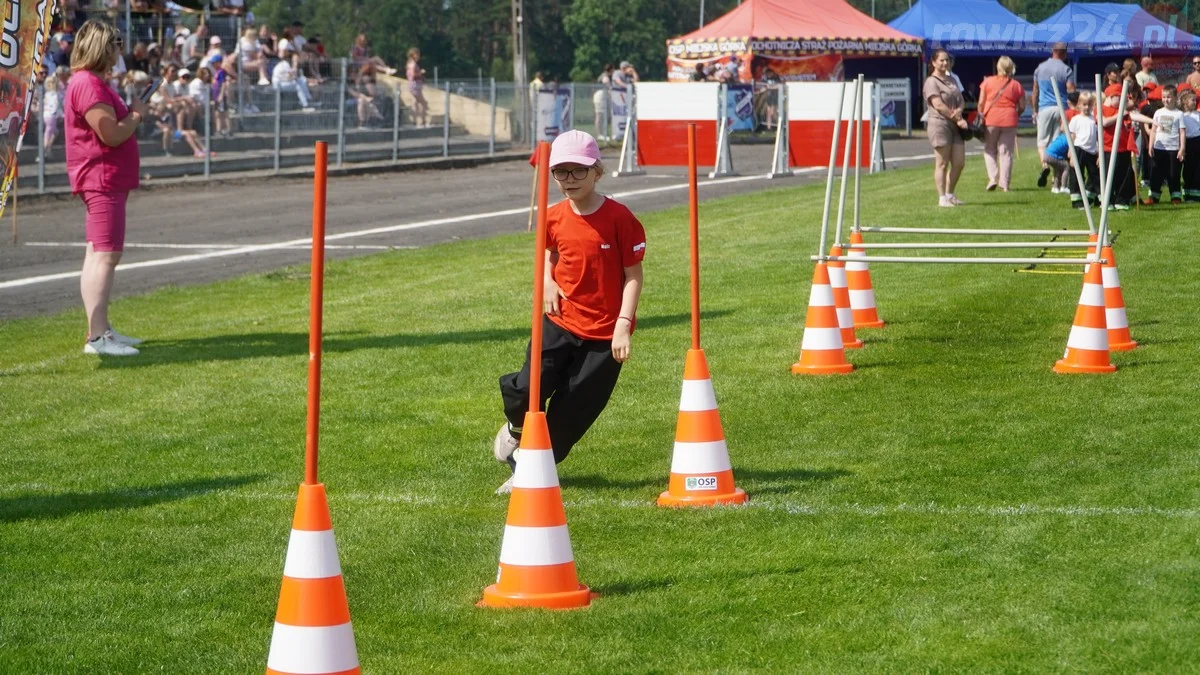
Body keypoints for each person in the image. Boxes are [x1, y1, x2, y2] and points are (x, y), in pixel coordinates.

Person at [492, 130, 646, 494]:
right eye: (561, 172)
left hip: (604, 336)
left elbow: (633, 275)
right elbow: (550, 252)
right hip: (559, 320)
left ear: (597, 172)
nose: (569, 180)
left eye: (578, 171)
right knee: (528, 388)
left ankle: (526, 473)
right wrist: (547, 282)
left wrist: (623, 325)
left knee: (570, 413)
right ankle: (515, 429)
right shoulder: (553, 216)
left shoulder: (620, 219)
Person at [65, 20, 149, 356]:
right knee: (106, 255)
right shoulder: (88, 84)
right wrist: (138, 115)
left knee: (98, 254)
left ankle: (101, 331)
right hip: (101, 177)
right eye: (114, 43)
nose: (119, 51)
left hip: (105, 177)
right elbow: (111, 134)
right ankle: (98, 337)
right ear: (103, 47)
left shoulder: (93, 83)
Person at [923, 49, 968, 207]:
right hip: (939, 124)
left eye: (947, 60)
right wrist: (956, 116)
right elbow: (938, 105)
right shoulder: (931, 81)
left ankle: (950, 194)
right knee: (942, 163)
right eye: (941, 60)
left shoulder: (953, 79)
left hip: (955, 125)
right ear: (934, 62)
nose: (945, 63)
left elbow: (961, 101)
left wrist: (960, 110)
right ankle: (942, 198)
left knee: (959, 162)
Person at [978, 55, 1025, 192]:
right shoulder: (1016, 85)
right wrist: (1016, 114)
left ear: (998, 67)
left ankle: (993, 177)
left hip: (991, 119)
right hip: (1009, 119)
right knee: (1006, 153)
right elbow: (1022, 105)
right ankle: (1005, 184)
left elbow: (981, 102)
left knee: (990, 149)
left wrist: (981, 114)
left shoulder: (987, 82)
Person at [1032, 43, 1076, 180]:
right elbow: (1071, 90)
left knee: (1042, 142)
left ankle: (1045, 165)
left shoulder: (1040, 68)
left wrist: (1035, 110)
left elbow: (1035, 91)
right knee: (1057, 142)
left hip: (1044, 107)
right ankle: (1055, 177)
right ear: (1065, 53)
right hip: (1061, 108)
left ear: (1052, 50)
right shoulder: (1066, 69)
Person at [1146, 84, 1186, 205]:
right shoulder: (1158, 112)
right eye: (1163, 97)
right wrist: (1150, 145)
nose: (1165, 100)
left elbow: (1182, 132)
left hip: (1173, 149)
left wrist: (1182, 148)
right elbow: (1153, 130)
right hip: (1159, 148)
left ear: (1175, 98)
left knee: (1173, 174)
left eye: (1168, 97)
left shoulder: (1179, 114)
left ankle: (1175, 196)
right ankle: (1154, 196)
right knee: (1156, 172)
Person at [1066, 91, 1100, 209]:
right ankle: (1076, 200)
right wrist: (1070, 152)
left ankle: (1094, 196)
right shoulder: (1076, 119)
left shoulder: (1094, 120)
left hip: (1091, 151)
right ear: (1079, 105)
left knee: (1094, 175)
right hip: (1078, 149)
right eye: (1084, 105)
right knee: (1076, 174)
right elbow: (1072, 136)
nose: (1087, 107)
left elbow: (1097, 137)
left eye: (1089, 105)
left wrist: (1099, 153)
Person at [1180, 89, 1200, 201]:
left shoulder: (1198, 114)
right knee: (1188, 168)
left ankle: (1196, 193)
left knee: (1197, 168)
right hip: (1187, 142)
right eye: (1192, 100)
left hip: (1197, 141)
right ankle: (1187, 192)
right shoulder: (1182, 116)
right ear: (1185, 102)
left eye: (1195, 100)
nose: (1195, 102)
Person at [406, 47, 428, 127]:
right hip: (415, 86)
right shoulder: (413, 64)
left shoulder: (410, 63)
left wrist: (422, 78)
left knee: (415, 103)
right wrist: (421, 72)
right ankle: (423, 120)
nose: (418, 56)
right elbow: (413, 75)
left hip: (413, 85)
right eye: (417, 54)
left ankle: (414, 121)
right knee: (424, 103)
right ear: (413, 55)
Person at [593, 64, 613, 140]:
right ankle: (599, 134)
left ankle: (602, 133)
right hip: (600, 96)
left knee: (602, 115)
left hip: (602, 96)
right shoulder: (605, 77)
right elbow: (608, 87)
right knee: (599, 115)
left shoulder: (603, 75)